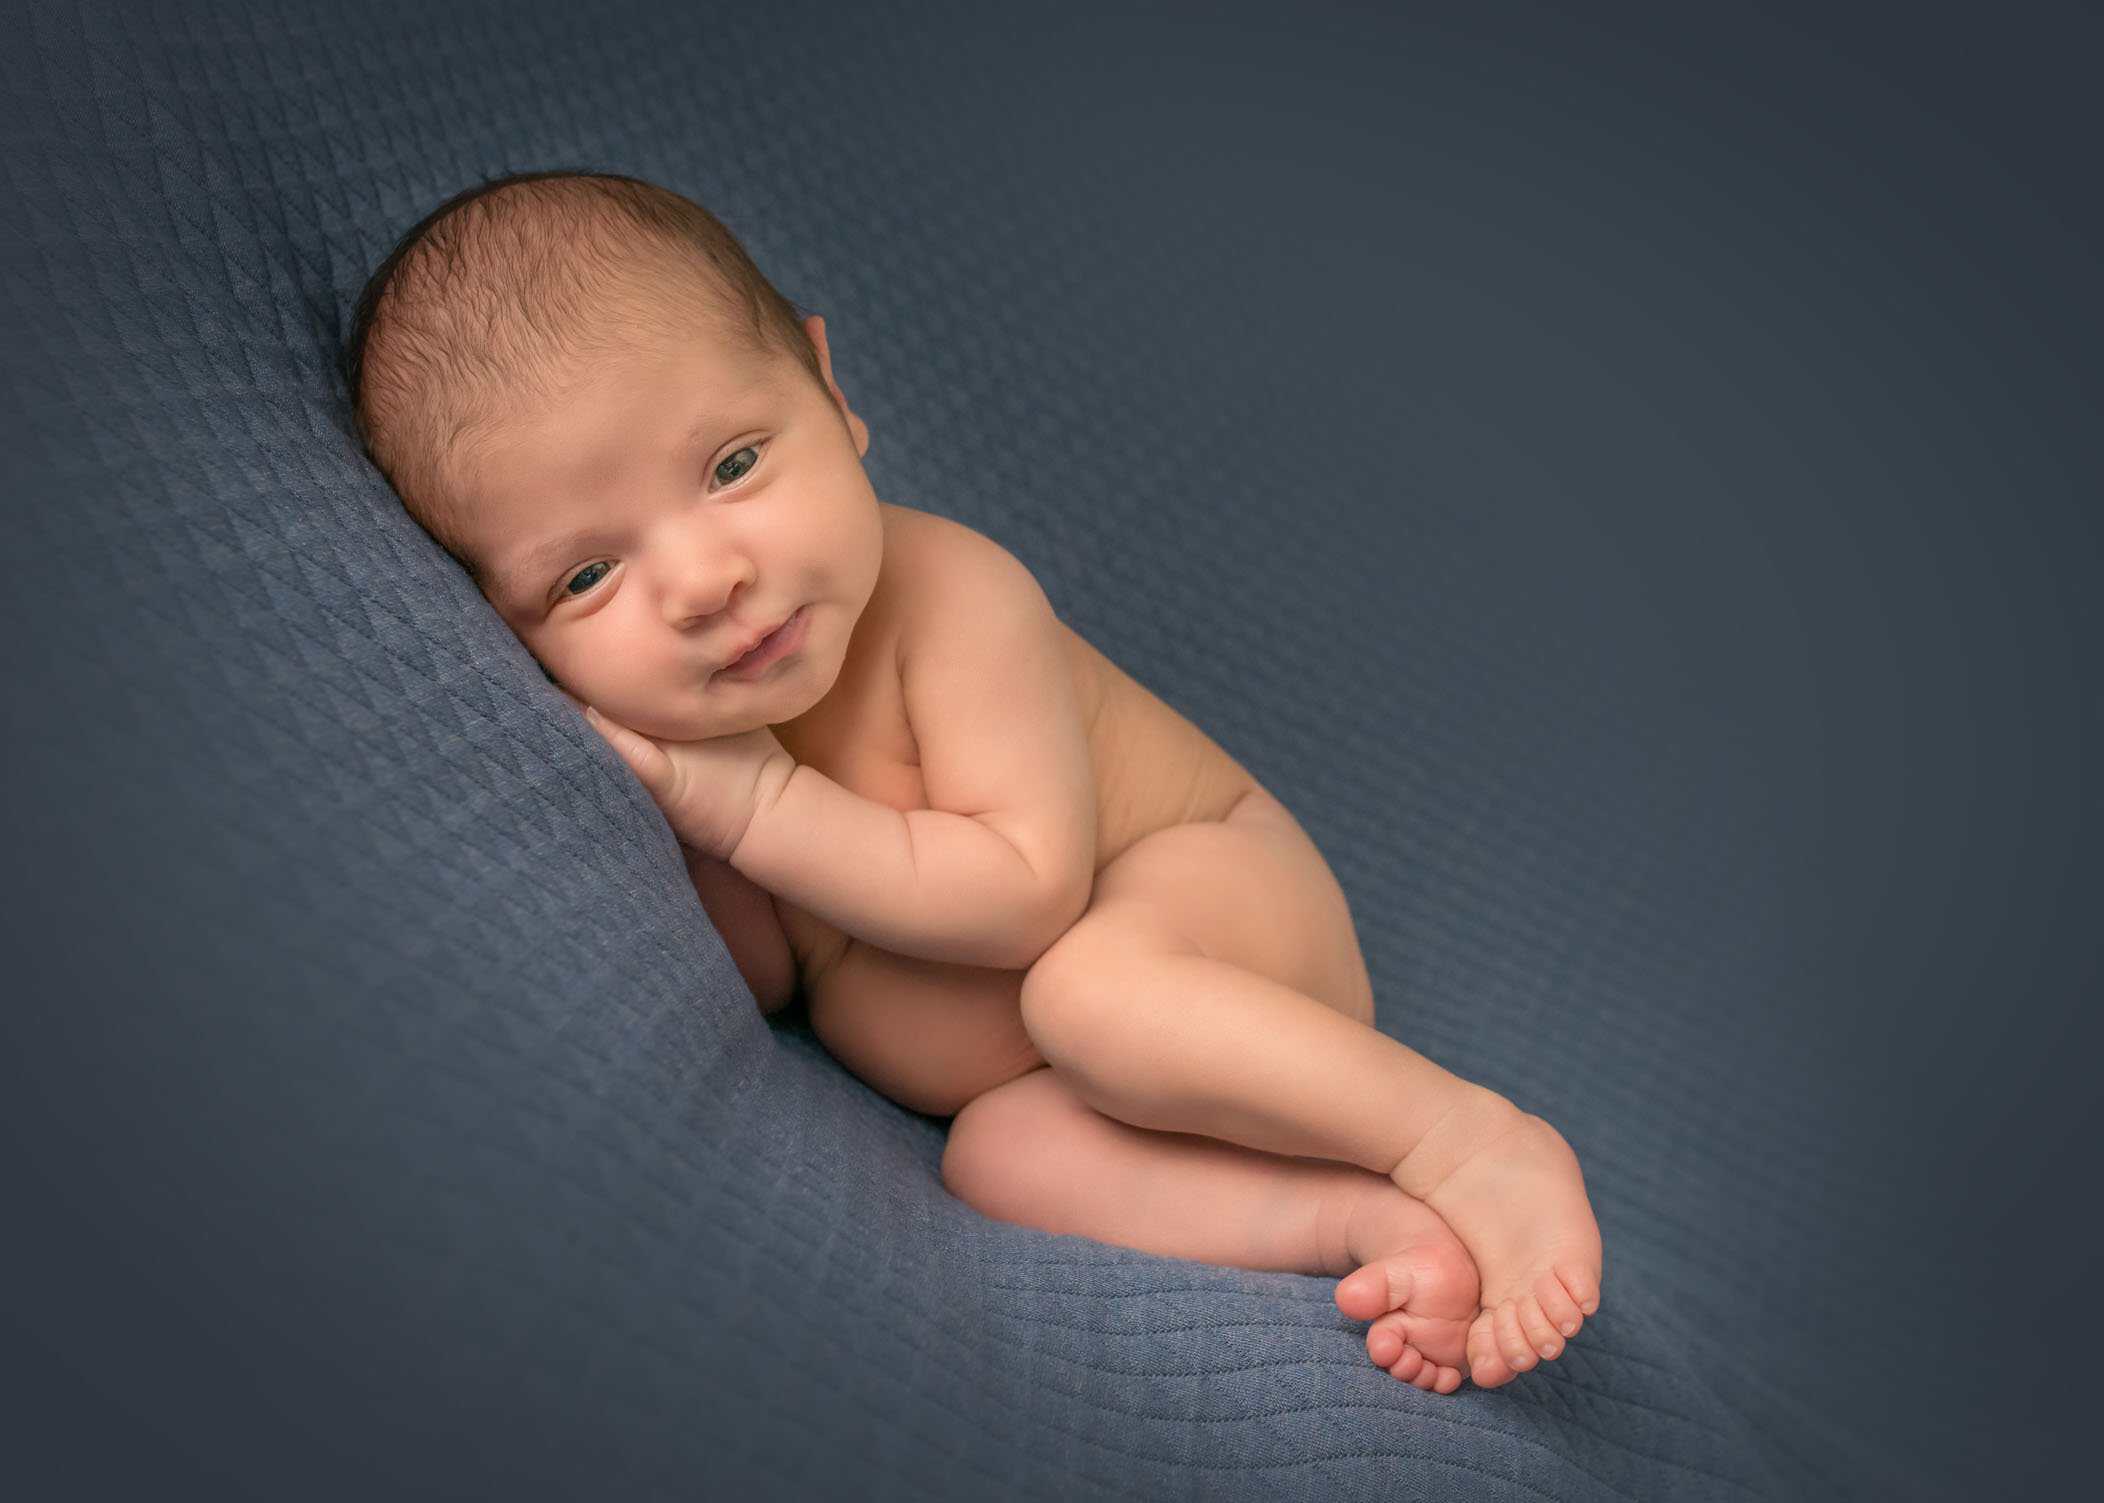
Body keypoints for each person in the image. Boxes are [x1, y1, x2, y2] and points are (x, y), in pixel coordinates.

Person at [344, 169, 1603, 1393]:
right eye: (585, 578)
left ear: (830, 391)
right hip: (1042, 1083)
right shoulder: (700, 745)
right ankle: (1352, 1223)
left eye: (730, 464)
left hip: (1218, 908)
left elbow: (1022, 895)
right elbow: (771, 973)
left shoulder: (948, 596)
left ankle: (1464, 1138)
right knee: (997, 1165)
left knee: (1096, 991)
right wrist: (661, 830)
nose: (702, 582)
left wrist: (757, 808)